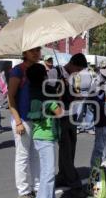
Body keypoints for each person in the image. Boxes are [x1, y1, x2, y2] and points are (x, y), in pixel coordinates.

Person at [47, 53, 88, 197]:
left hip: (72, 115)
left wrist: (77, 95)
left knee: (71, 149)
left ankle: (63, 175)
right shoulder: (54, 72)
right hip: (60, 116)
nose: (78, 72)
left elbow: (73, 93)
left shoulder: (73, 76)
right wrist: (61, 86)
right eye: (78, 69)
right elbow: (49, 93)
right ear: (72, 64)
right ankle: (75, 184)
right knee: (66, 149)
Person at [8, 47, 41, 198]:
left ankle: (37, 186)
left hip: (37, 119)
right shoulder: (18, 71)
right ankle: (24, 191)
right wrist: (18, 121)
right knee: (22, 156)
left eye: (38, 50)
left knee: (36, 155)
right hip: (22, 119)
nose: (36, 53)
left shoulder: (39, 70)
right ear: (24, 53)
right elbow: (11, 98)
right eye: (32, 50)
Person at [26, 63, 63, 198]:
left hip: (38, 134)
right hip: (46, 136)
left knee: (46, 172)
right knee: (48, 172)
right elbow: (59, 112)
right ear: (43, 76)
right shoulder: (46, 95)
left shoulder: (33, 91)